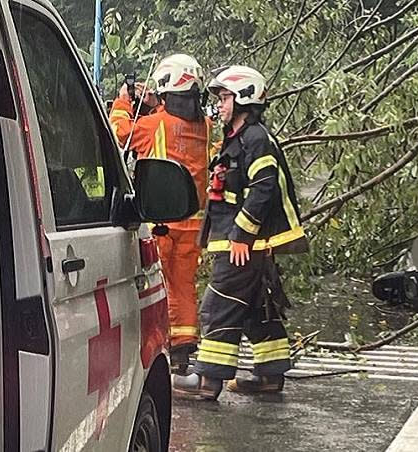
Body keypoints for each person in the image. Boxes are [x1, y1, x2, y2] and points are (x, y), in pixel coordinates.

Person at [173, 65, 308, 400]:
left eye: (224, 98)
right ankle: (270, 377)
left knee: (218, 306)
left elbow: (263, 189)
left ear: (245, 97)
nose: (219, 105)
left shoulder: (255, 139)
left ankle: (207, 382)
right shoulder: (240, 140)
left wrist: (241, 236)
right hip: (248, 243)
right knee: (255, 308)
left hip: (245, 244)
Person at [108, 54, 210, 371]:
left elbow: (118, 132)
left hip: (163, 224)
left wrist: (124, 102)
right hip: (195, 224)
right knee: (184, 286)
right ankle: (183, 348)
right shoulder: (204, 126)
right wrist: (153, 102)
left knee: (159, 287)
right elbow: (174, 128)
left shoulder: (154, 125)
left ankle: (161, 344)